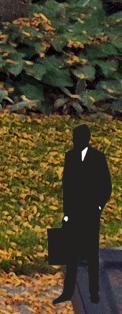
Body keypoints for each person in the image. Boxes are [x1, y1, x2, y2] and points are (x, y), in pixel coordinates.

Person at [55, 125, 111, 306]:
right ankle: (68, 291)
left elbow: (106, 185)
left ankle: (94, 293)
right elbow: (67, 186)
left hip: (91, 211)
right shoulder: (70, 156)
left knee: (91, 253)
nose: (75, 141)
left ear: (85, 139)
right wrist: (66, 212)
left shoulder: (97, 157)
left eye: (77, 137)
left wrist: (98, 206)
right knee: (71, 253)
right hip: (74, 211)